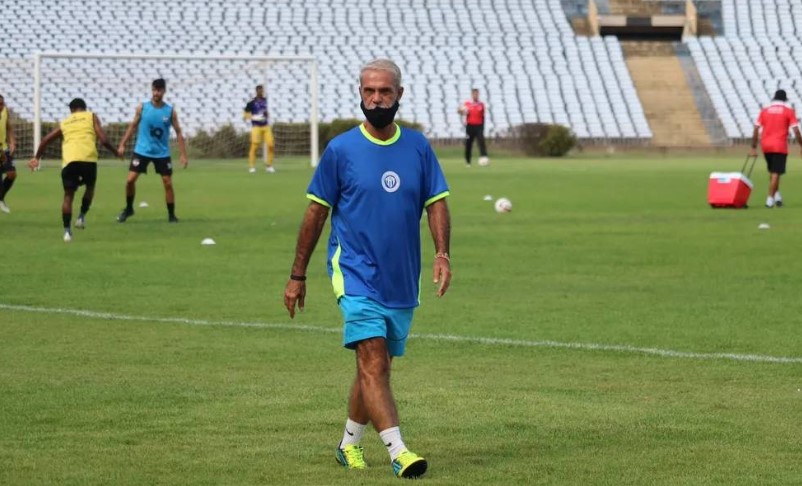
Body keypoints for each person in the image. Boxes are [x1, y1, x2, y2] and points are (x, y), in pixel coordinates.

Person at [283, 59, 451, 480]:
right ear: (360, 93)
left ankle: (348, 444)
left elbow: (437, 202)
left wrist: (442, 253)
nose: (376, 99)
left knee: (375, 366)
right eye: (369, 91)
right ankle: (400, 452)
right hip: (354, 271)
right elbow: (315, 213)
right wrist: (297, 274)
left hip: (401, 278)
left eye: (385, 92)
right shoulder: (341, 150)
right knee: (373, 360)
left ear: (399, 94)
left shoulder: (418, 147)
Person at [28, 99, 118, 242]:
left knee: (68, 196)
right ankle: (81, 217)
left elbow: (45, 140)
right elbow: (104, 140)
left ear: (71, 110)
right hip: (88, 159)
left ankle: (67, 232)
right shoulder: (91, 116)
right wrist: (116, 152)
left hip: (70, 161)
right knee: (90, 187)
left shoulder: (65, 122)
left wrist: (36, 158)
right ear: (84, 108)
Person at [116, 78, 188, 223]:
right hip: (142, 151)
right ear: (152, 90)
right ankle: (129, 209)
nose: (156, 93)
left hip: (161, 153)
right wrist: (122, 144)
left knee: (167, 182)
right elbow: (132, 126)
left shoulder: (170, 111)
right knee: (130, 181)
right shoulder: (142, 108)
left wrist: (183, 154)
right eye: (154, 90)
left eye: (159, 90)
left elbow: (179, 132)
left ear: (164, 91)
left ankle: (172, 215)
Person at [751, 89, 802, 208]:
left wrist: (753, 147)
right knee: (776, 173)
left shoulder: (764, 111)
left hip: (765, 145)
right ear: (785, 99)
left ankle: (777, 197)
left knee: (773, 171)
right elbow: (796, 131)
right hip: (779, 145)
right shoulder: (788, 111)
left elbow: (755, 128)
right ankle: (769, 200)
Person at [243, 84, 276, 173]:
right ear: (256, 91)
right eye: (259, 90)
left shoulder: (267, 101)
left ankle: (269, 165)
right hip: (256, 126)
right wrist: (255, 117)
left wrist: (266, 114)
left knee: (271, 145)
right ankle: (252, 166)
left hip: (266, 126)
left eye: (262, 90)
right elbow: (245, 116)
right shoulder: (251, 103)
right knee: (255, 146)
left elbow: (268, 113)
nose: (261, 92)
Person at [457, 88, 488, 167]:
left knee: (481, 142)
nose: (475, 95)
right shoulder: (467, 104)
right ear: (472, 95)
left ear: (478, 94)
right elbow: (460, 112)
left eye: (477, 94)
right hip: (470, 126)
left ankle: (484, 158)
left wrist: (482, 127)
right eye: (474, 94)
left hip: (479, 126)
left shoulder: (481, 104)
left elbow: (482, 116)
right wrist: (461, 111)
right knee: (468, 144)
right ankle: (468, 161)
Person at [0, 94, 18, 213]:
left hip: (3, 149)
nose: (1, 106)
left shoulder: (5, 111)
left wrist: (12, 142)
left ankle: (0, 198)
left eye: (2, 104)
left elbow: (9, 128)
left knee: (12, 174)